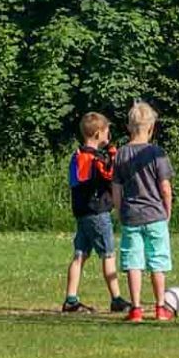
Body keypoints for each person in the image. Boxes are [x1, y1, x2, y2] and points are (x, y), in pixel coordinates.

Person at [112, 101, 176, 323]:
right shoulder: (156, 153)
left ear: (129, 127)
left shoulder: (121, 154)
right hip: (155, 214)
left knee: (133, 262)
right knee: (157, 261)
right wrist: (167, 210)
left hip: (131, 214)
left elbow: (116, 189)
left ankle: (136, 308)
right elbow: (165, 188)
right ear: (151, 127)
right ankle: (160, 307)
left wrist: (119, 211)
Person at [61, 112, 127, 315]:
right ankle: (116, 299)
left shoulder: (77, 155)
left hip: (82, 212)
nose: (109, 134)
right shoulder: (97, 159)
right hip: (98, 212)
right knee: (108, 254)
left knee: (80, 254)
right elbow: (110, 176)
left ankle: (71, 299)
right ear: (99, 133)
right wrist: (112, 154)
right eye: (107, 130)